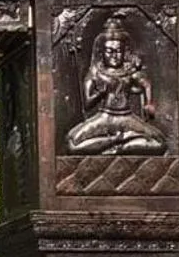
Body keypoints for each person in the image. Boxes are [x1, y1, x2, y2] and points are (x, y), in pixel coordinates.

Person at [64, 15, 167, 155]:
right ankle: (116, 140)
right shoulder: (96, 72)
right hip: (105, 116)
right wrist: (100, 93)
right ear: (102, 52)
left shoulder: (129, 70)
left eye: (118, 51)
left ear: (124, 52)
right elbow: (87, 103)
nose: (114, 55)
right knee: (72, 144)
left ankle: (120, 147)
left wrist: (149, 103)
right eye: (109, 51)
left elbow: (146, 84)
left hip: (126, 116)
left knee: (160, 143)